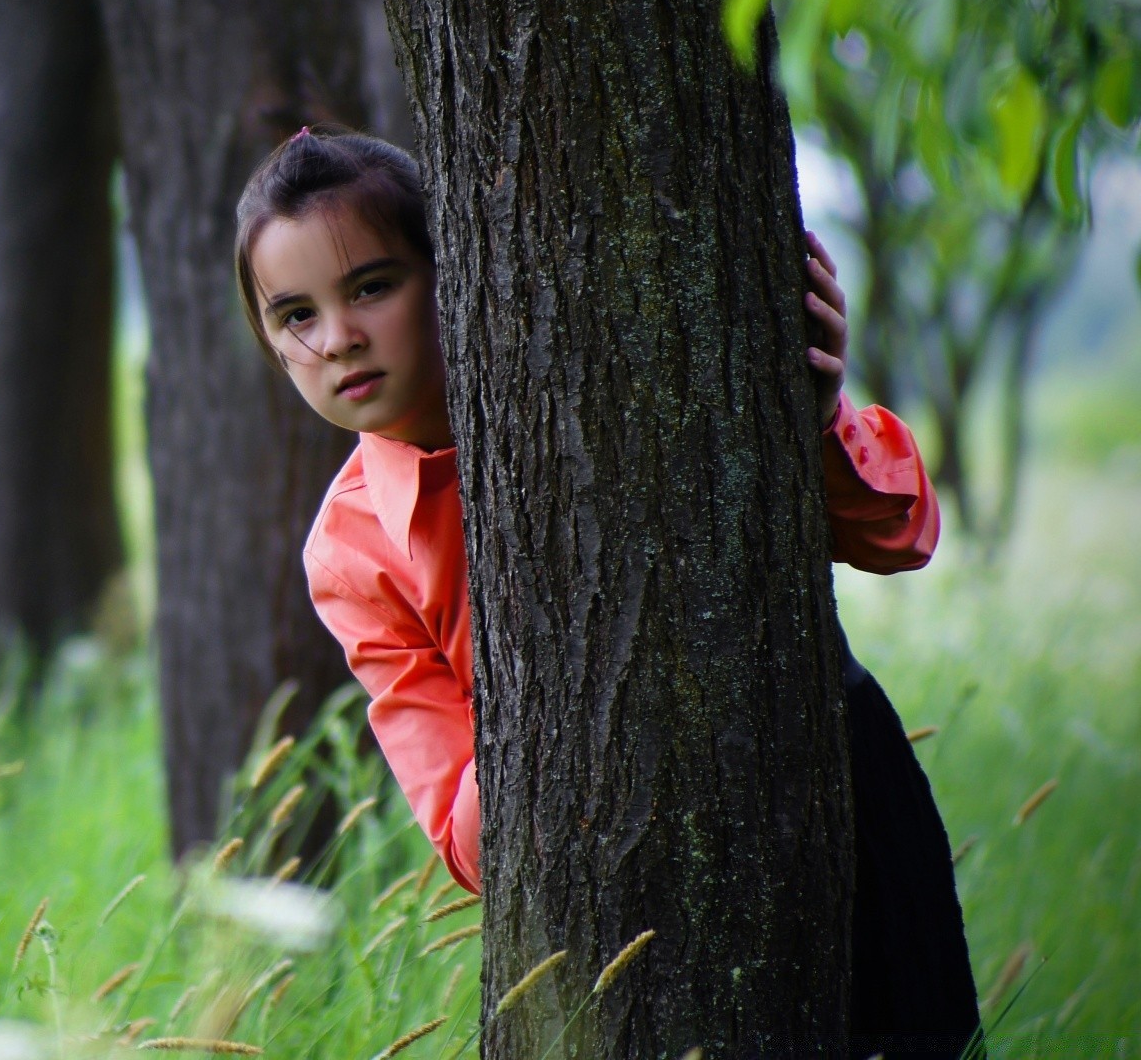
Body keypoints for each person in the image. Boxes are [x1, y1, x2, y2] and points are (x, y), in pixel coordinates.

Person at [234, 124, 984, 1058]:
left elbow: (898, 535)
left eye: (373, 286)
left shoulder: (604, 380)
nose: (338, 338)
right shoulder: (353, 552)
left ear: (455, 265)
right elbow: (469, 845)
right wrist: (523, 649)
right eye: (295, 315)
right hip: (615, 877)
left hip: (820, 771)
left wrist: (812, 414)